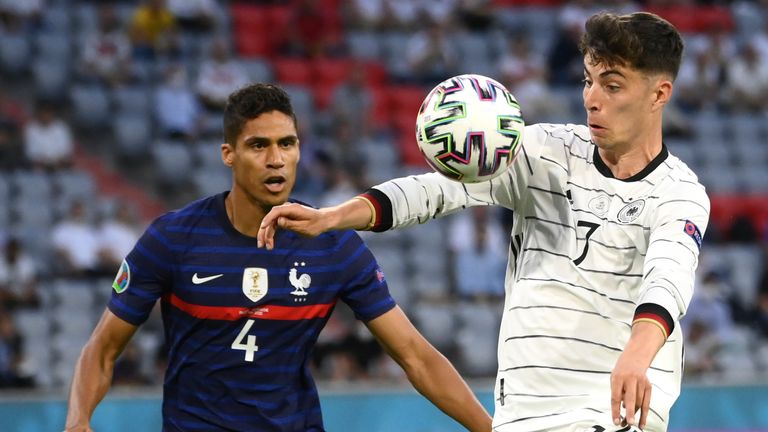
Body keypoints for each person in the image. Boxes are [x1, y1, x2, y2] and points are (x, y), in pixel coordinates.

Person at [259, 12, 711, 432]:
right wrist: (336, 216)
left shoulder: (679, 192)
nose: (592, 99)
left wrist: (637, 355)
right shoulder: (544, 151)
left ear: (659, 94)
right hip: (520, 414)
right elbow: (437, 190)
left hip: (609, 411)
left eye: (612, 86)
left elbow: (667, 278)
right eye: (588, 81)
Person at [64, 84, 491, 432]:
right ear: (228, 154)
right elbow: (102, 351)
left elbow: (416, 356)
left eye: (287, 143)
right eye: (258, 146)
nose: (276, 160)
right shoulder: (172, 238)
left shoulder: (334, 245)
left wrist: (488, 429)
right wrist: (78, 421)